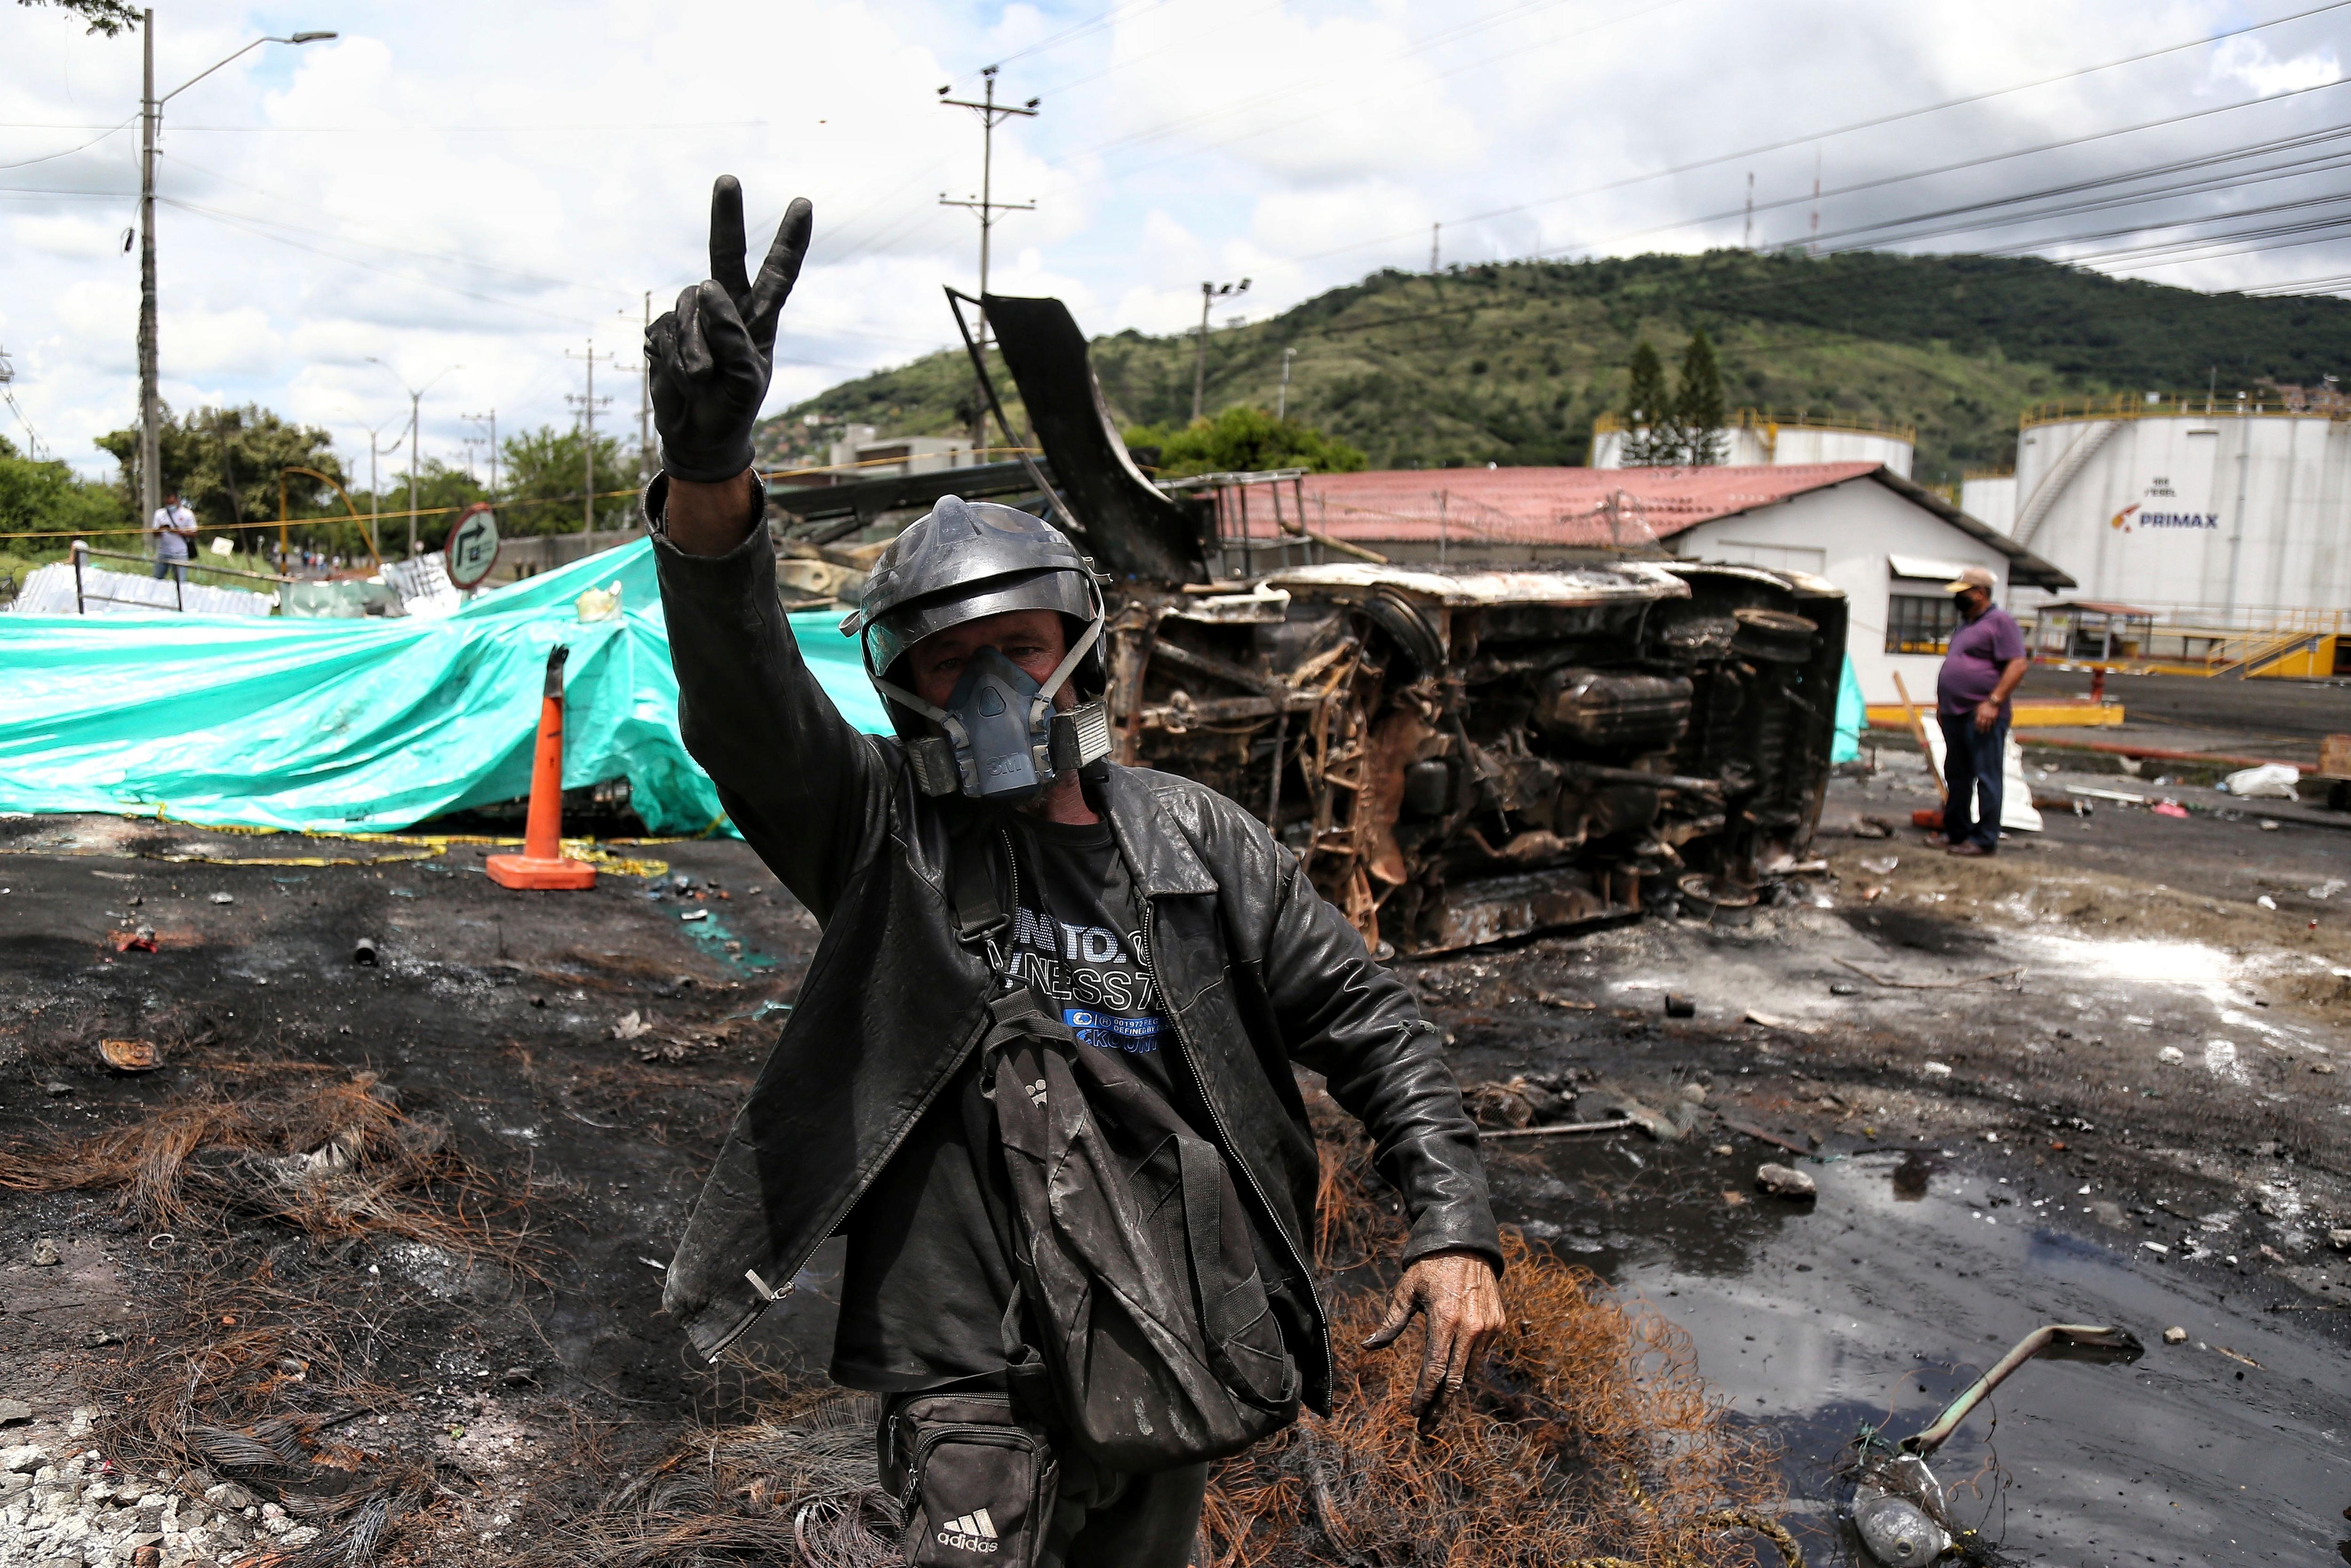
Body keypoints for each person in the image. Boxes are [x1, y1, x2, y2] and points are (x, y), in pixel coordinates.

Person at [641, 177, 1504, 1567]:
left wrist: (1450, 1222)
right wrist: (709, 475)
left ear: (1080, 649)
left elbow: (1376, 1023)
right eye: (943, 657)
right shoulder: (885, 837)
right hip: (966, 1364)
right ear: (902, 682)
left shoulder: (1197, 842)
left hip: (1164, 1337)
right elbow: (743, 697)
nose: (985, 685)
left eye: (1016, 648)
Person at [1933, 565, 2028, 858]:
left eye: (1963, 593)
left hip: (1983, 712)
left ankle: (1985, 838)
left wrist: (1994, 701)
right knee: (1957, 774)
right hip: (1955, 712)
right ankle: (1957, 831)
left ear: (1980, 593)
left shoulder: (2000, 623)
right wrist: (1943, 705)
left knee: (1986, 776)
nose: (1958, 598)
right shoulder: (1966, 625)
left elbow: (2018, 664)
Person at [148, 489, 196, 582]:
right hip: (163, 552)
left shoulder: (187, 514)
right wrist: (161, 529)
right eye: (168, 504)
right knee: (156, 580)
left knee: (181, 583)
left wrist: (180, 532)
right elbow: (155, 535)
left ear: (177, 501)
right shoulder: (160, 514)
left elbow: (195, 533)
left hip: (180, 553)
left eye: (172, 503)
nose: (170, 506)